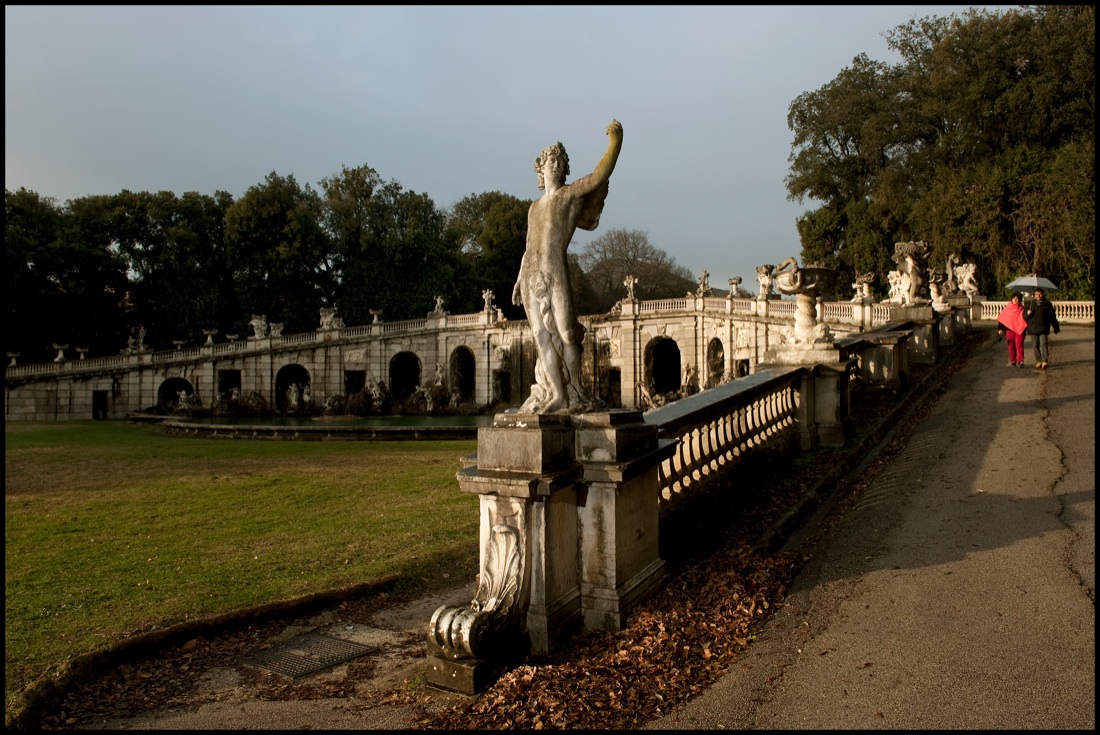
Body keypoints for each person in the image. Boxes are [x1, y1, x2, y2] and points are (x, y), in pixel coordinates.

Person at [512, 119, 623, 413]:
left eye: (561, 163)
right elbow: (528, 246)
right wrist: (518, 278)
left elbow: (599, 176)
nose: (557, 167)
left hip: (554, 270)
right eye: (552, 163)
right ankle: (558, 394)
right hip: (531, 274)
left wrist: (615, 143)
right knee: (540, 336)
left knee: (566, 333)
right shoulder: (533, 208)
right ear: (542, 169)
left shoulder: (570, 195)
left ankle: (576, 389)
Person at [1023, 287, 1060, 369]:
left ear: (1043, 294)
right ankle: (1038, 360)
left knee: (1043, 344)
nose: (1038, 295)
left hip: (1043, 327)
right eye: (1036, 294)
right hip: (1033, 328)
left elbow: (1052, 316)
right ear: (1034, 295)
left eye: (1040, 294)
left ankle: (1044, 361)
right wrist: (1027, 313)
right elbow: (1024, 316)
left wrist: (1056, 327)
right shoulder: (1030, 303)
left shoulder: (1047, 304)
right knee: (1035, 345)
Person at [996, 292, 1028, 367]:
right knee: (1011, 345)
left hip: (1020, 329)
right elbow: (1002, 319)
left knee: (1019, 345)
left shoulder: (1023, 309)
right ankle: (1013, 361)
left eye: (1017, 298)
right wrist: (1000, 329)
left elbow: (1026, 318)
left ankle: (1020, 361)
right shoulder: (1007, 308)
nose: (1015, 299)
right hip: (1009, 330)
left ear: (1020, 300)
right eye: (1014, 298)